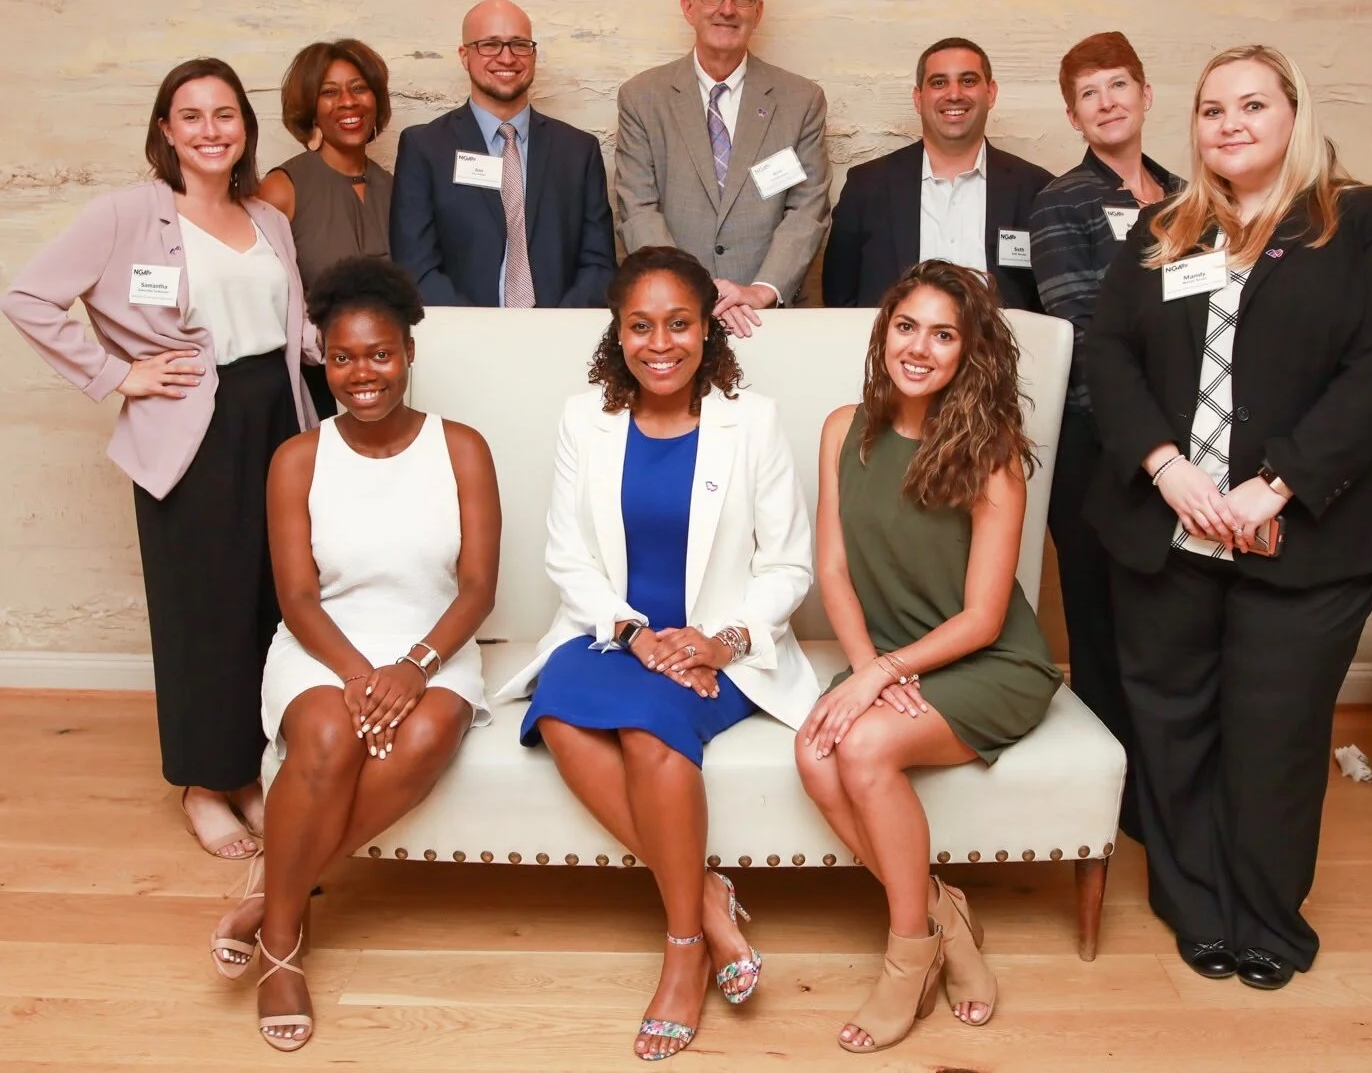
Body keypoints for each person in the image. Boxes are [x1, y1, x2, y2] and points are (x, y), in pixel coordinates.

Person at [1086, 45, 1372, 991]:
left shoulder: (1364, 221)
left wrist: (1274, 484)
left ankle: (1269, 921)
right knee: (1172, 720)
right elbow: (1108, 353)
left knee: (1275, 730)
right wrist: (1164, 467)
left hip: (1309, 530)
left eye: (1252, 104)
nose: (1229, 122)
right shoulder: (1162, 227)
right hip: (1168, 529)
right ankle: (1195, 904)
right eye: (1211, 108)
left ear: (1294, 112)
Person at [501, 246, 818, 1060]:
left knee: (647, 734)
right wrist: (633, 632)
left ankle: (682, 948)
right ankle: (710, 903)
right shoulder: (586, 418)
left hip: (718, 645)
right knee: (561, 715)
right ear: (618, 331)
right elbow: (567, 556)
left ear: (708, 327)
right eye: (640, 325)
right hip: (612, 634)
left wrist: (723, 639)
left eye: (680, 322)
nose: (661, 342)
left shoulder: (755, 418)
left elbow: (788, 564)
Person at [2, 57, 317, 862]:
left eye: (226, 115)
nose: (211, 131)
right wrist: (119, 374)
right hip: (191, 431)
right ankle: (203, 785)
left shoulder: (267, 217)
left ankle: (245, 769)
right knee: (201, 611)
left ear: (245, 127)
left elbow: (293, 325)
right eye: (192, 115)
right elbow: (28, 295)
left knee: (267, 602)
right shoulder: (127, 215)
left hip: (278, 420)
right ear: (165, 130)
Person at [208, 256, 500, 1051]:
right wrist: (360, 673)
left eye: (379, 354)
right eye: (342, 357)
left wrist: (413, 666)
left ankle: (273, 896)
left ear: (408, 353)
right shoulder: (297, 459)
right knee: (330, 737)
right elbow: (298, 596)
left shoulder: (462, 448)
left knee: (430, 732)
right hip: (325, 643)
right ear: (324, 360)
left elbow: (477, 587)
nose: (361, 373)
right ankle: (281, 950)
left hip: (432, 645)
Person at [796, 261, 1062, 1054]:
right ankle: (950, 921)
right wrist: (864, 662)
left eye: (942, 333)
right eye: (905, 326)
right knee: (816, 752)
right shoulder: (843, 428)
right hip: (888, 653)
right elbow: (833, 569)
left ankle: (907, 952)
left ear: (968, 351)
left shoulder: (994, 453)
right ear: (884, 333)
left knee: (865, 744)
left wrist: (881, 675)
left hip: (988, 660)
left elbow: (985, 616)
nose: (919, 347)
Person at [1029, 32, 1182, 838]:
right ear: (1073, 113)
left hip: (1190, 448)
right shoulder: (1062, 202)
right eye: (1091, 93)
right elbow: (1079, 326)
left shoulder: (1197, 196)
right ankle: (1110, 796)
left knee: (1169, 612)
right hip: (1099, 438)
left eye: (1120, 85)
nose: (1109, 102)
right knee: (1099, 611)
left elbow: (1217, 322)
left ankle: (1169, 782)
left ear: (1147, 94)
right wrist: (1155, 422)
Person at [615, 0, 830, 336]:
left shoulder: (801, 100)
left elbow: (807, 211)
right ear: (688, 7)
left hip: (771, 319)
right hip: (674, 321)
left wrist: (761, 291)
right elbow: (638, 208)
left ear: (758, 10)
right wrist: (689, 293)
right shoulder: (642, 97)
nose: (726, 9)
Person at [389, 0, 616, 307]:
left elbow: (599, 265)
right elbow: (416, 268)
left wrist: (555, 329)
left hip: (559, 340)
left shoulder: (578, 151)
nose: (507, 58)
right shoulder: (425, 147)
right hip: (460, 342)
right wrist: (483, 334)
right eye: (490, 45)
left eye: (519, 45)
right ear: (464, 55)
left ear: (533, 54)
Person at [822, 38, 1052, 310]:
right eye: (939, 83)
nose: (954, 94)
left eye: (968, 81)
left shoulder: (1037, 190)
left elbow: (1047, 303)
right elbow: (839, 297)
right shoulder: (867, 186)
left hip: (1003, 352)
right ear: (918, 99)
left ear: (990, 93)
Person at [259, 39, 395, 418]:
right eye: (329, 92)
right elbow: (257, 295)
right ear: (311, 109)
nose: (348, 102)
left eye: (359, 88)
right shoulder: (282, 188)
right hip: (311, 386)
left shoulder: (395, 187)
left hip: (388, 384)